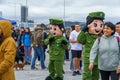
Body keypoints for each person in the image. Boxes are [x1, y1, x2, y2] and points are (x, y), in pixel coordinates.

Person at [77, 11, 105, 80]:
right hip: (88, 59)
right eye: (95, 25)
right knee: (86, 75)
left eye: (101, 25)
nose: (98, 28)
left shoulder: (102, 36)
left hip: (98, 59)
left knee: (96, 76)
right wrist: (83, 30)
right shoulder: (86, 35)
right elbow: (80, 40)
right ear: (88, 25)